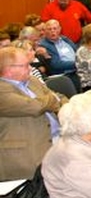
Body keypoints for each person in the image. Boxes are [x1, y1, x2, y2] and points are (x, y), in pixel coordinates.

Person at [0, 47, 66, 180]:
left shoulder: (32, 81)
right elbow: (35, 107)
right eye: (25, 65)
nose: (30, 68)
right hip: (26, 153)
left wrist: (54, 100)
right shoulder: (2, 90)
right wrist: (52, 100)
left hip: (58, 139)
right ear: (8, 69)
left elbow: (60, 97)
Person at [39, 19, 81, 90]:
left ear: (60, 29)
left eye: (55, 28)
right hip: (64, 75)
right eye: (49, 29)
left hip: (78, 71)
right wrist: (77, 63)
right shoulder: (44, 45)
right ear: (45, 31)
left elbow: (77, 52)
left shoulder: (65, 39)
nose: (52, 31)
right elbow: (56, 65)